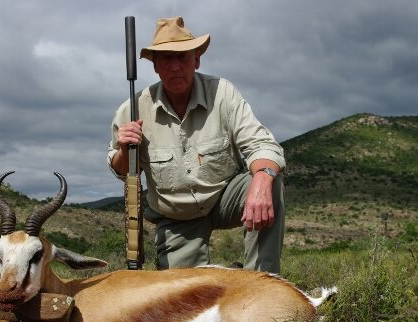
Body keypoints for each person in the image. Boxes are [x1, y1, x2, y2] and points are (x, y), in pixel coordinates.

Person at [108, 16, 286, 273]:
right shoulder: (133, 109)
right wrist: (125, 150)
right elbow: (121, 170)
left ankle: (263, 282)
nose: (175, 66)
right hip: (176, 218)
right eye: (167, 58)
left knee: (269, 181)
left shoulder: (223, 93)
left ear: (197, 60)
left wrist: (262, 178)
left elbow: (260, 143)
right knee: (185, 301)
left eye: (182, 57)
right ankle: (224, 277)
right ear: (155, 66)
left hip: (222, 198)